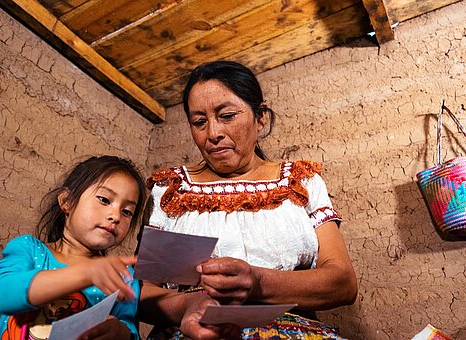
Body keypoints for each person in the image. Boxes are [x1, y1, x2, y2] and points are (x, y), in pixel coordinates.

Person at [139, 60, 358, 339]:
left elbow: (343, 284)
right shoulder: (172, 190)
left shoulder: (300, 182)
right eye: (199, 122)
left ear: (260, 116)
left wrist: (258, 283)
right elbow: (143, 292)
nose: (213, 133)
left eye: (227, 115)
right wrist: (190, 304)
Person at [0, 155, 146, 340]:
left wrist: (119, 331)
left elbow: (128, 328)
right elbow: (2, 294)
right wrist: (86, 273)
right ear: (66, 201)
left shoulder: (122, 276)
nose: (116, 216)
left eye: (127, 212)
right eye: (104, 200)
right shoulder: (29, 250)